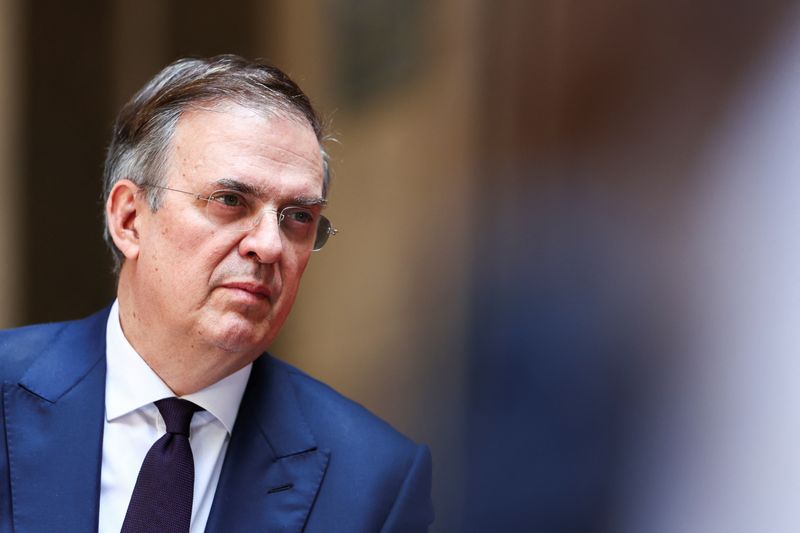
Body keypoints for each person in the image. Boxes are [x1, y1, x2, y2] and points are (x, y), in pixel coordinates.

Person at [0, 55, 433, 533]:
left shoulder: (373, 483)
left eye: (298, 217)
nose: (270, 245)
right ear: (129, 219)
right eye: (230, 201)